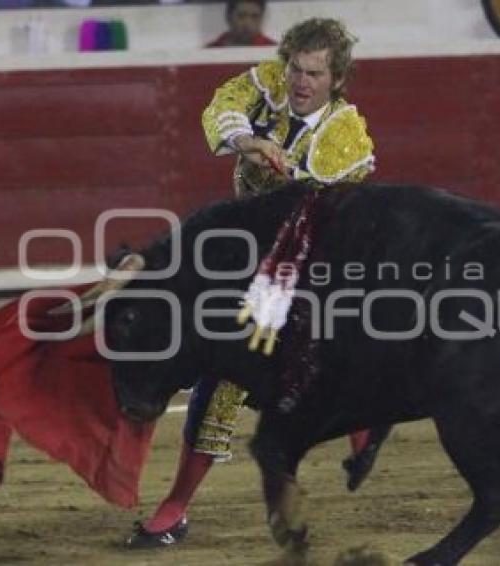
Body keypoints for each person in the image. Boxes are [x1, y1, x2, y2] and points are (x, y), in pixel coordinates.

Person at [125, 17, 388, 549]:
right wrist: (246, 139)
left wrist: (276, 165)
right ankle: (175, 507)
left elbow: (314, 209)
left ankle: (366, 420)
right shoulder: (266, 84)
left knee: (244, 374)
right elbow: (219, 108)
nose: (300, 81)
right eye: (295, 67)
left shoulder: (346, 133)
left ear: (337, 79)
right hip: (247, 259)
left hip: (312, 268)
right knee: (215, 369)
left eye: (315, 73)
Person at [206, 0, 276, 48]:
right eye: (241, 16)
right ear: (229, 17)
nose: (247, 23)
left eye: (255, 16)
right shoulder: (211, 50)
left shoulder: (273, 50)